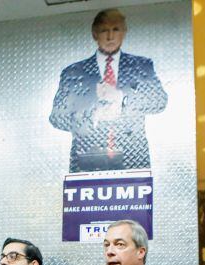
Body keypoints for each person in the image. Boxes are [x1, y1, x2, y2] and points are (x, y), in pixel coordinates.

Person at [50, 9, 168, 173]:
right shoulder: (73, 72)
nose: (110, 36)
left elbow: (159, 101)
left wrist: (121, 98)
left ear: (124, 32)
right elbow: (57, 117)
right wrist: (91, 115)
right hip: (87, 159)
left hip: (133, 159)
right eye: (104, 30)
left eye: (116, 29)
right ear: (94, 34)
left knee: (135, 200)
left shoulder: (141, 66)